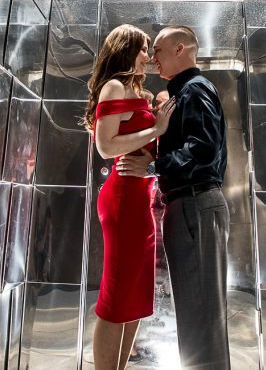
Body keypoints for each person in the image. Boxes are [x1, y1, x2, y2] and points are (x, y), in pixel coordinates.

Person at [117, 25, 230, 370]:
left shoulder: (194, 90)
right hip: (191, 206)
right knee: (200, 312)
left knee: (201, 315)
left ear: (181, 49)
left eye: (159, 51)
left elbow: (203, 149)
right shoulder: (187, 91)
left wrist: (153, 168)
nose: (153, 59)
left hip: (195, 205)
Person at [84, 24, 176, 370]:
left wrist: (155, 145)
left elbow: (145, 148)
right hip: (122, 198)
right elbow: (106, 147)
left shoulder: (138, 92)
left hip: (141, 198)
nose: (148, 56)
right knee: (116, 297)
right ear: (126, 49)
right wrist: (156, 128)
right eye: (143, 48)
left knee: (134, 296)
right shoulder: (113, 87)